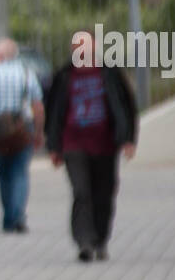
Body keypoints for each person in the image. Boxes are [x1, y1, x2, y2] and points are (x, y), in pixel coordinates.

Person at [44, 31, 138, 261]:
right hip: (73, 143)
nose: (82, 51)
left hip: (106, 145)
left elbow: (127, 106)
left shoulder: (110, 73)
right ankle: (84, 242)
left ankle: (100, 239)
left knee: (104, 193)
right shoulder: (64, 75)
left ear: (94, 47)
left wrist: (128, 139)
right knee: (81, 191)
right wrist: (54, 147)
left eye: (85, 46)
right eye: (77, 47)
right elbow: (53, 111)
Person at [0, 38, 45, 233]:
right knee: (20, 172)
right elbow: (37, 105)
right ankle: (18, 215)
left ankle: (8, 217)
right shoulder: (26, 73)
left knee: (4, 173)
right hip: (22, 129)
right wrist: (39, 131)